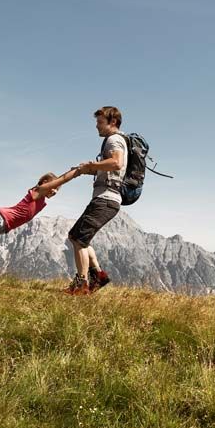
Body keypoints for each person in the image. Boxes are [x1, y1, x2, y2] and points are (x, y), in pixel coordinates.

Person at [65, 106, 126, 295]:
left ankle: (82, 285)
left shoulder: (114, 140)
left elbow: (117, 162)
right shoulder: (114, 141)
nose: (97, 127)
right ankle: (98, 276)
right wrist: (88, 169)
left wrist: (93, 165)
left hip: (105, 198)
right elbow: (109, 168)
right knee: (78, 236)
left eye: (100, 122)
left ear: (112, 122)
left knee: (78, 239)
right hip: (107, 199)